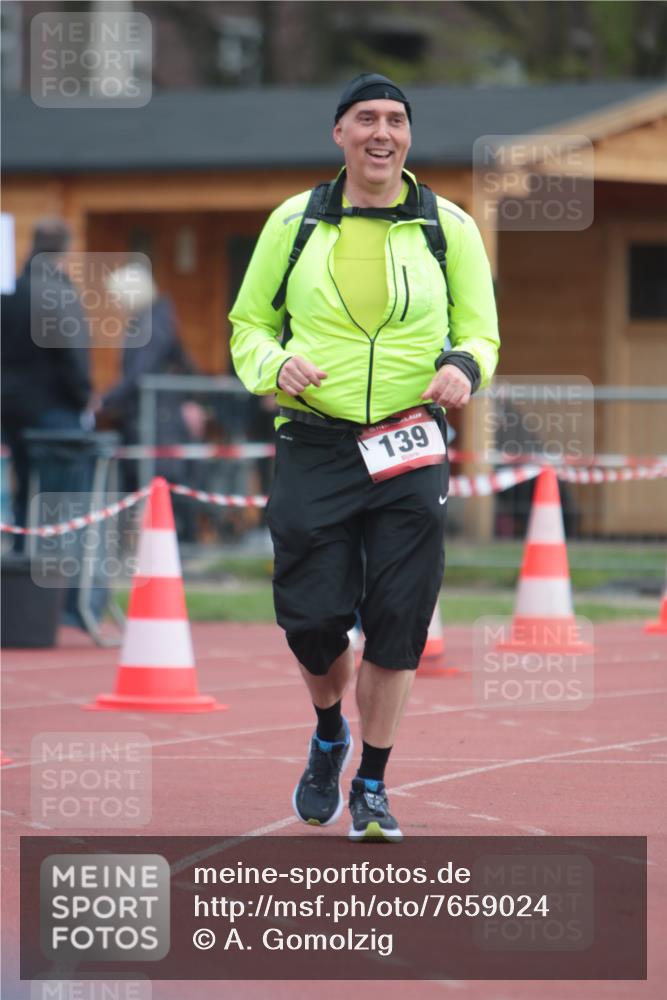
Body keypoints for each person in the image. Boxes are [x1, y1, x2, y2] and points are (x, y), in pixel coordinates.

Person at [229, 73, 500, 842]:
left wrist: (464, 367)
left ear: (408, 137)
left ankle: (372, 783)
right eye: (365, 119)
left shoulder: (447, 227)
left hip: (409, 441)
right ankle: (327, 734)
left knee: (397, 618)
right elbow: (249, 322)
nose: (382, 132)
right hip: (315, 438)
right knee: (312, 619)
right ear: (339, 134)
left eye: (395, 120)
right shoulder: (296, 222)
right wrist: (271, 365)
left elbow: (481, 330)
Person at [1, 218, 93, 538]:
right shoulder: (58, 293)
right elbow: (73, 353)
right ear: (66, 249)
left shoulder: (11, 290)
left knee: (24, 497)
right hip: (55, 411)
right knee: (61, 510)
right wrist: (84, 397)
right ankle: (59, 584)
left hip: (12, 411)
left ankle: (22, 575)